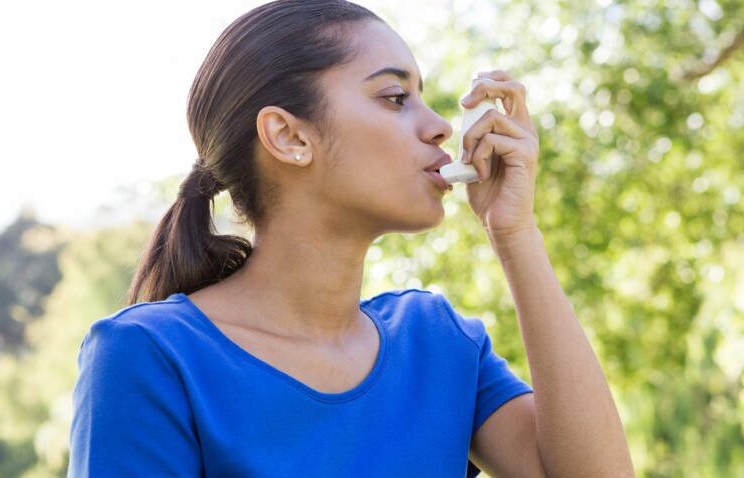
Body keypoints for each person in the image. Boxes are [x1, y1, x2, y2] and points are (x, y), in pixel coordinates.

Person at [68, 0, 634, 476]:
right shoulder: (147, 356)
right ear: (289, 136)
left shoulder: (438, 341)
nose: (439, 125)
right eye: (395, 98)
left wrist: (515, 232)